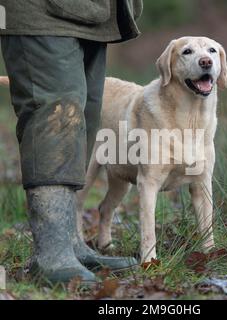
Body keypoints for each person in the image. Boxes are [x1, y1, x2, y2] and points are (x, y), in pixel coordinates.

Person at [0, 0, 143, 284]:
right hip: (39, 10)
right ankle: (52, 253)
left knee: (85, 116)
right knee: (56, 113)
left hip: (94, 12)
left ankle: (70, 243)